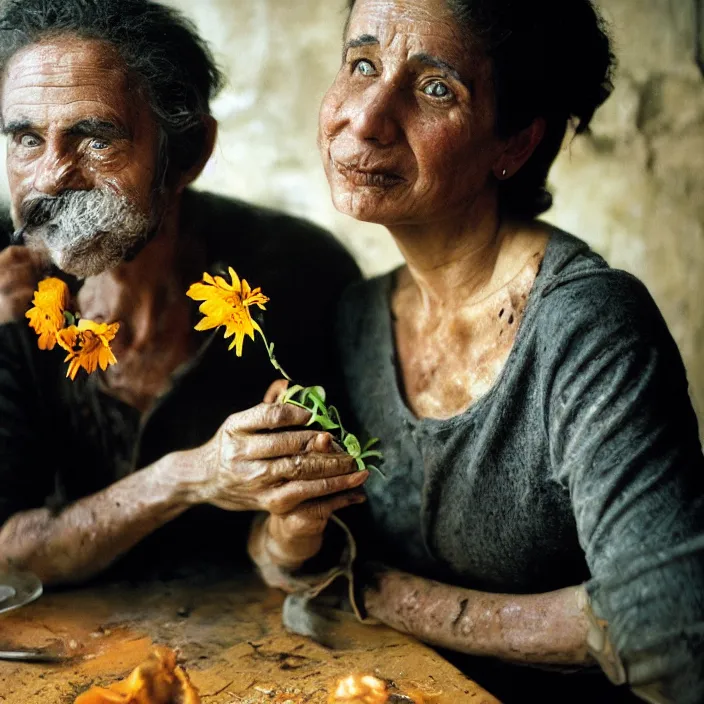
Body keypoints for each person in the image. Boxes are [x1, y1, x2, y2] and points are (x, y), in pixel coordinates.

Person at [248, 0, 704, 701]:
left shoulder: (586, 325)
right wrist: (290, 527)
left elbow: (669, 629)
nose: (364, 118)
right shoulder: (357, 315)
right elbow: (294, 563)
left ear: (514, 144)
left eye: (436, 89)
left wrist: (391, 597)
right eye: (361, 64)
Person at [0, 0, 367, 586]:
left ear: (188, 152)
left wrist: (289, 520)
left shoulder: (301, 274)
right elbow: (5, 556)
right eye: (25, 138)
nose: (48, 176)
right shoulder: (4, 283)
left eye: (95, 139)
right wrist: (192, 475)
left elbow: (314, 533)